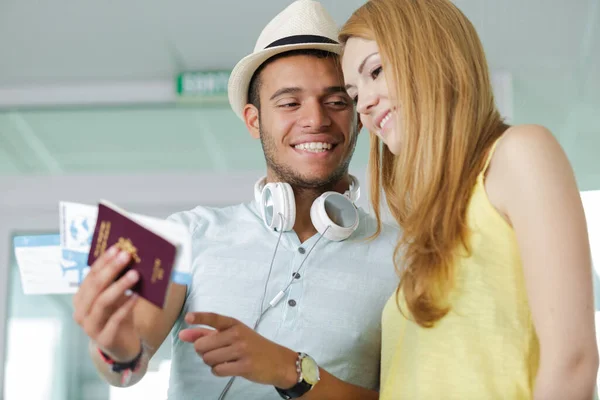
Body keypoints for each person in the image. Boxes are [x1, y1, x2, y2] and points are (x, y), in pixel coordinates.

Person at [72, 1, 399, 399]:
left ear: (358, 116)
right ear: (253, 120)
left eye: (336, 101)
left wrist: (290, 370)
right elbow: (126, 366)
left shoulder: (404, 256)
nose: (315, 119)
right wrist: (117, 351)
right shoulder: (187, 234)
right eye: (289, 103)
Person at [339, 0, 599, 399]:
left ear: (432, 55)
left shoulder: (519, 153)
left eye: (376, 71)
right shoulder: (425, 229)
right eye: (354, 94)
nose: (365, 105)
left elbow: (573, 360)